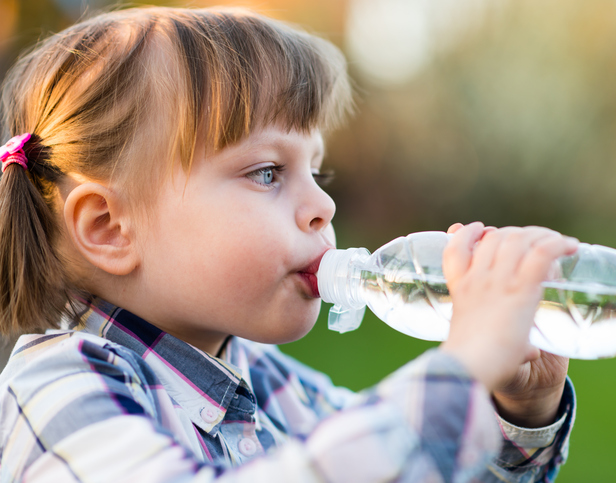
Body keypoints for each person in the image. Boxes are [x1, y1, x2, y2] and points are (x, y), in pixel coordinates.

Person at [0, 6, 578, 482]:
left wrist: (517, 412)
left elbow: (409, 468)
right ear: (109, 227)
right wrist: (462, 367)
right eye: (269, 172)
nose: (323, 207)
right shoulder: (58, 389)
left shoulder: (270, 382)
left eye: (317, 172)